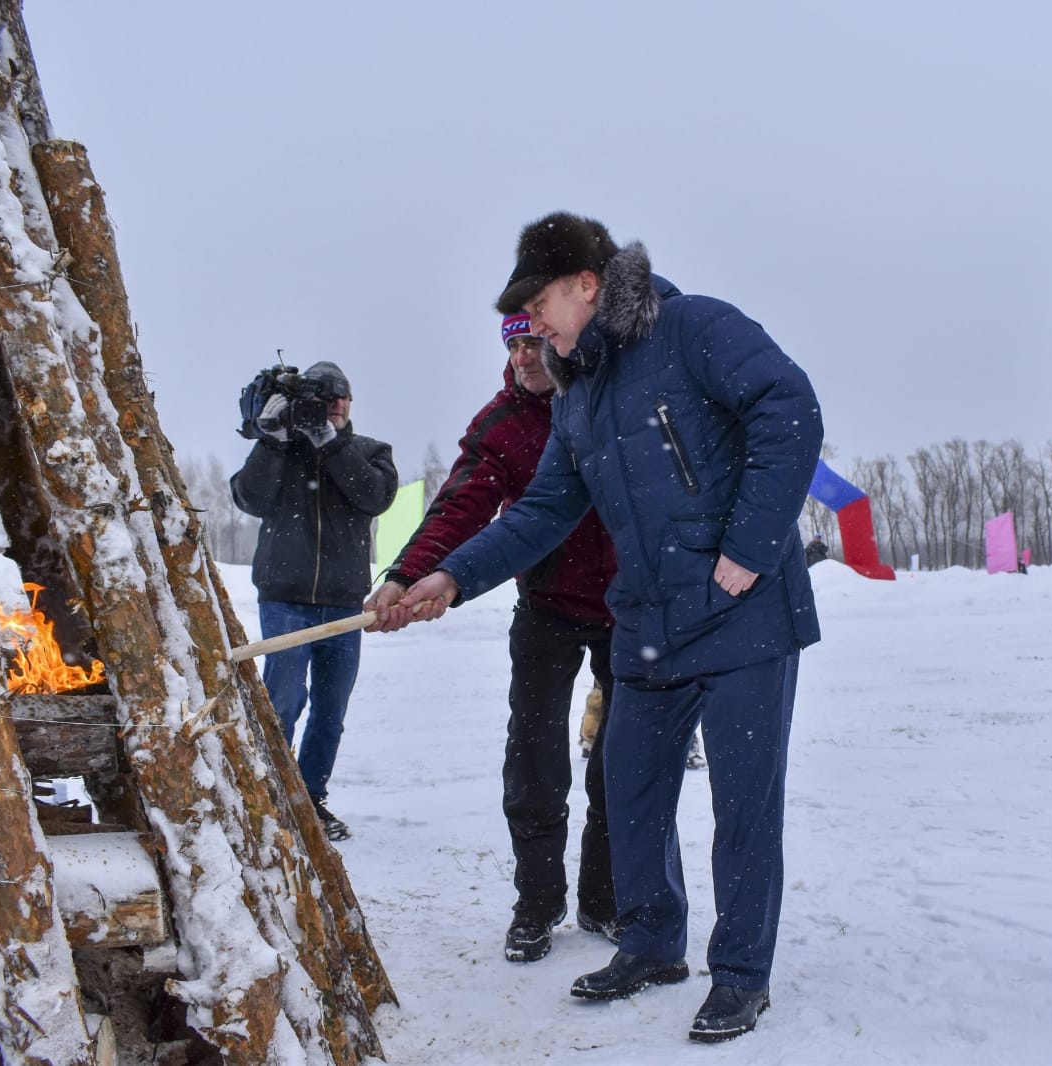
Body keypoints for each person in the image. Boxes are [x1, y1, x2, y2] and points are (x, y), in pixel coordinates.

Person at [389, 212, 821, 1044]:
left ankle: (739, 974)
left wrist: (751, 544)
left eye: (540, 302)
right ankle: (654, 945)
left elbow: (789, 406)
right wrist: (449, 576)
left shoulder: (694, 326)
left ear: (587, 285)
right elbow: (547, 508)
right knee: (630, 791)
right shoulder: (578, 388)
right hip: (649, 622)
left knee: (742, 807)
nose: (532, 325)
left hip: (743, 617)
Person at [365, 312, 621, 963]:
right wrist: (410, 573)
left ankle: (606, 898)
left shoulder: (606, 401)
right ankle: (537, 901)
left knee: (622, 762)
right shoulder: (500, 425)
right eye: (513, 344)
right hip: (547, 608)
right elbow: (460, 505)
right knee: (533, 758)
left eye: (536, 342)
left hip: (630, 610)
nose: (524, 357)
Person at [230, 360, 398, 841]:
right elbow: (248, 498)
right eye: (326, 398)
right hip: (284, 598)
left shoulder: (368, 451)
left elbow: (375, 496)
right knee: (282, 699)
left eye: (343, 397)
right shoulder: (282, 452)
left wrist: (331, 443)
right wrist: (272, 441)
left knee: (330, 711)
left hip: (344, 604)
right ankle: (272, 796)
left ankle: (310, 799)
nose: (338, 405)